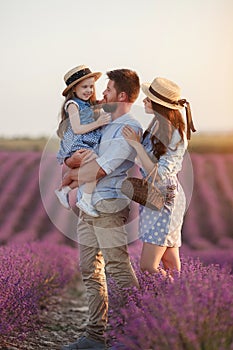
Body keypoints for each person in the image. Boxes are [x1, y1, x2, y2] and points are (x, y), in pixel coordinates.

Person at [61, 69, 142, 350]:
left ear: (121, 95)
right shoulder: (103, 122)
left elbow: (100, 170)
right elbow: (73, 155)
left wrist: (74, 171)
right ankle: (95, 336)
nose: (101, 93)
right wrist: (72, 162)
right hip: (88, 204)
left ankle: (130, 335)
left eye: (107, 89)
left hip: (108, 205)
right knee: (89, 269)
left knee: (117, 268)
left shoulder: (129, 129)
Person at [122, 77, 196, 280]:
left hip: (165, 196)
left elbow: (158, 173)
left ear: (159, 105)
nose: (144, 102)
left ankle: (174, 297)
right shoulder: (157, 125)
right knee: (170, 261)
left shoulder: (176, 135)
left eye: (148, 99)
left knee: (148, 266)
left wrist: (137, 145)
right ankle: (179, 301)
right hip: (155, 195)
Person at [55, 65, 111, 217]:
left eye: (91, 86)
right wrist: (98, 123)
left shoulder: (87, 104)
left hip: (87, 142)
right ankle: (85, 200)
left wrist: (104, 101)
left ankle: (65, 190)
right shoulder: (72, 105)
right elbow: (77, 128)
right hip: (78, 143)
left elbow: (95, 109)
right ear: (74, 90)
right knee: (95, 168)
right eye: (84, 87)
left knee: (92, 172)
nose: (89, 90)